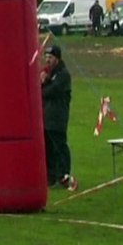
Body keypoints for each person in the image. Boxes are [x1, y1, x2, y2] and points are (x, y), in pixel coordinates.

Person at [41, 44, 75, 190]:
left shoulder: (63, 75)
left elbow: (50, 92)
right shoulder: (49, 73)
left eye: (50, 57)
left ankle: (64, 175)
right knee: (48, 148)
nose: (47, 60)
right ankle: (51, 177)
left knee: (59, 146)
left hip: (58, 117)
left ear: (57, 58)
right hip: (46, 117)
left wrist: (43, 83)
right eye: (46, 57)